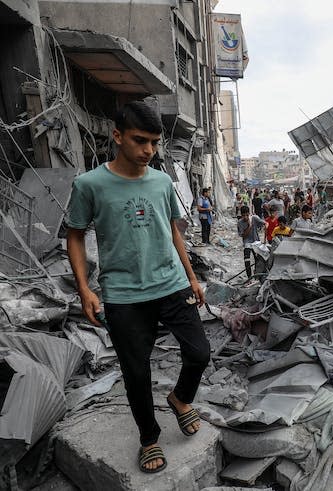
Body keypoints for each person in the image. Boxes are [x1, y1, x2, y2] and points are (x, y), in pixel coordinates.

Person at [66, 101, 210, 474]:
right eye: (140, 140)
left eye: (155, 143)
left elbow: (174, 232)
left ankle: (180, 399)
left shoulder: (162, 182)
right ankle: (149, 438)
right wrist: (85, 289)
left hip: (172, 284)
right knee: (136, 372)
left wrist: (191, 277)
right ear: (118, 136)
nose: (148, 150)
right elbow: (76, 236)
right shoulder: (89, 185)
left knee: (199, 353)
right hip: (124, 295)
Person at [237, 205, 266, 279]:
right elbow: (243, 235)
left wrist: (266, 226)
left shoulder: (254, 218)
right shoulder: (240, 223)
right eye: (243, 216)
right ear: (241, 215)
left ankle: (257, 275)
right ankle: (249, 277)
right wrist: (249, 226)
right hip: (247, 243)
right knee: (247, 260)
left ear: (249, 213)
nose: (245, 217)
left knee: (258, 260)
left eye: (247, 215)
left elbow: (264, 223)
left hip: (256, 242)